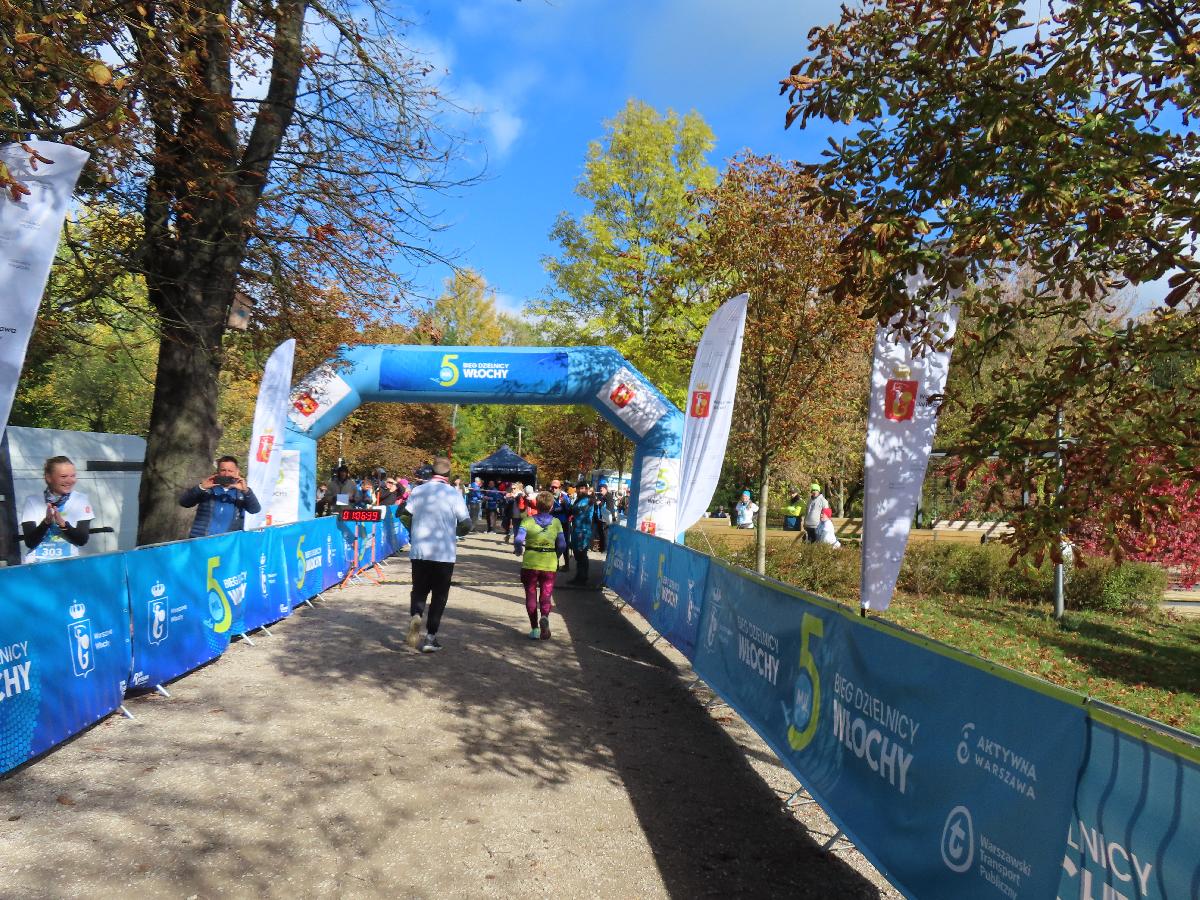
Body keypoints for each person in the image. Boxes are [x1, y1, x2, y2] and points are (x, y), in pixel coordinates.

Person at [405, 457, 471, 654]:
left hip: (420, 551)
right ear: (448, 474)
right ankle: (430, 637)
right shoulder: (453, 494)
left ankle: (416, 614)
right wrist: (455, 533)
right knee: (439, 596)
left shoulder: (418, 490)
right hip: (444, 552)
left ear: (432, 471)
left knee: (419, 590)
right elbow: (466, 523)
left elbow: (404, 515)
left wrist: (412, 532)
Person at [20, 456, 94, 564]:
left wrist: (63, 525)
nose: (70, 480)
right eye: (63, 476)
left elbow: (82, 540)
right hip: (37, 565)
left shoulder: (81, 500)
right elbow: (30, 542)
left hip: (68, 564)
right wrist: (46, 522)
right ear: (48, 478)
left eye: (73, 476)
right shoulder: (32, 501)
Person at [514, 491, 565, 640]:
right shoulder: (556, 522)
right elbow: (562, 544)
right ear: (551, 506)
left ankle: (535, 629)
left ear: (536, 504)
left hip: (530, 563)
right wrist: (556, 556)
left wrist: (519, 550)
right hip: (549, 564)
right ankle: (545, 617)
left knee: (530, 594)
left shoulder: (527, 521)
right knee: (546, 595)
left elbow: (518, 540)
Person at [179, 456, 261, 538]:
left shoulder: (242, 493)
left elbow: (255, 510)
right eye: (223, 470)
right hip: (201, 540)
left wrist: (246, 491)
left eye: (230, 471)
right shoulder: (207, 489)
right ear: (218, 471)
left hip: (227, 542)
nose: (226, 474)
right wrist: (201, 488)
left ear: (237, 472)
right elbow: (184, 502)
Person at [569, 481, 595, 585]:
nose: (580, 490)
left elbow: (576, 509)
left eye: (582, 488)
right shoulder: (579, 499)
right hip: (576, 530)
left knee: (582, 555)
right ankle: (579, 576)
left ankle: (583, 578)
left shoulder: (588, 500)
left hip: (583, 531)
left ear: (586, 489)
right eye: (578, 488)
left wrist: (568, 506)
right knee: (578, 555)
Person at [549, 479, 572, 571]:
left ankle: (567, 565)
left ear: (559, 488)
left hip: (564, 523)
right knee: (554, 544)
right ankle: (556, 564)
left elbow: (569, 510)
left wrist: (562, 506)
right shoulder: (549, 496)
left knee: (564, 544)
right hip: (554, 523)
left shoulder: (564, 497)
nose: (554, 489)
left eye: (556, 487)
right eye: (552, 487)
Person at [592, 482, 614, 552]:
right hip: (601, 518)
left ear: (605, 489)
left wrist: (600, 503)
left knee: (605, 534)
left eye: (601, 490)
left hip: (607, 519)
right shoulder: (602, 496)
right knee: (601, 533)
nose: (600, 491)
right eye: (600, 490)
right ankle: (601, 547)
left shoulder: (609, 496)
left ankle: (605, 549)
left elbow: (609, 508)